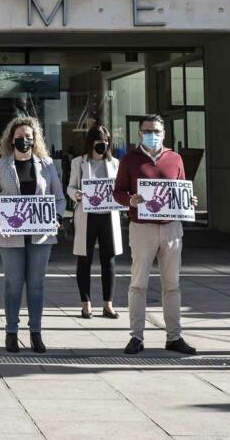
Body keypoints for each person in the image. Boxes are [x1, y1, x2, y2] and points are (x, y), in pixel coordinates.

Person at [113, 113, 198, 356]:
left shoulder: (175, 159)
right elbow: (117, 192)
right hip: (142, 228)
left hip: (171, 227)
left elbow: (181, 187)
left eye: (157, 131)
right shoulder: (129, 160)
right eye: (148, 130)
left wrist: (188, 200)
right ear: (140, 133)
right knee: (138, 284)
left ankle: (174, 337)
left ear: (164, 133)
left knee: (172, 285)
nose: (153, 135)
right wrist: (130, 199)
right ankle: (136, 337)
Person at [0, 116, 65, 354]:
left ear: (35, 139)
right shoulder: (1, 165)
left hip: (40, 235)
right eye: (19, 137)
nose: (24, 141)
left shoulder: (47, 164)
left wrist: (57, 217)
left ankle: (36, 333)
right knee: (13, 284)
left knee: (37, 285)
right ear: (11, 139)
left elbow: (58, 197)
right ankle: (11, 332)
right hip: (10, 235)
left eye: (28, 137)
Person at [67, 126, 123, 320]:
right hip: (87, 215)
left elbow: (121, 188)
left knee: (109, 259)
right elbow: (70, 186)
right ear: (91, 143)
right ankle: (86, 303)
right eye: (99, 141)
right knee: (84, 259)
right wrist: (76, 194)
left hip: (108, 215)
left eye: (106, 142)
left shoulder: (115, 163)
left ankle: (108, 304)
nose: (103, 145)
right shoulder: (79, 163)